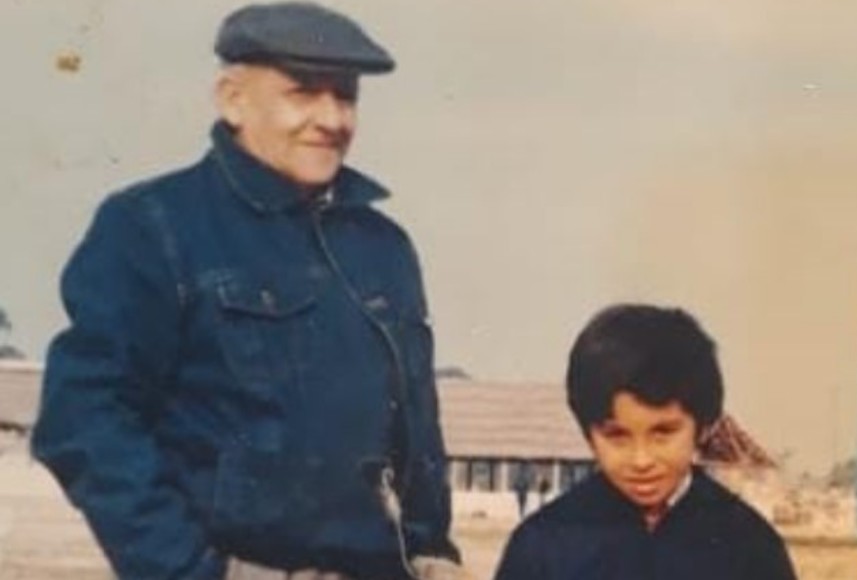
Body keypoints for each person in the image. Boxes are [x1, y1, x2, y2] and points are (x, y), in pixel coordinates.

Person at [30, 3, 461, 579]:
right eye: (303, 92)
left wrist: (431, 548)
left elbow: (416, 428)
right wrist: (198, 571)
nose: (332, 118)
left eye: (346, 96)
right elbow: (83, 423)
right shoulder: (152, 227)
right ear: (232, 99)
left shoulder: (384, 248)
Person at [494, 304, 797, 580]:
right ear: (589, 434)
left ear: (703, 427)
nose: (641, 460)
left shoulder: (750, 548)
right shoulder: (542, 545)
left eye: (663, 433)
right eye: (617, 436)